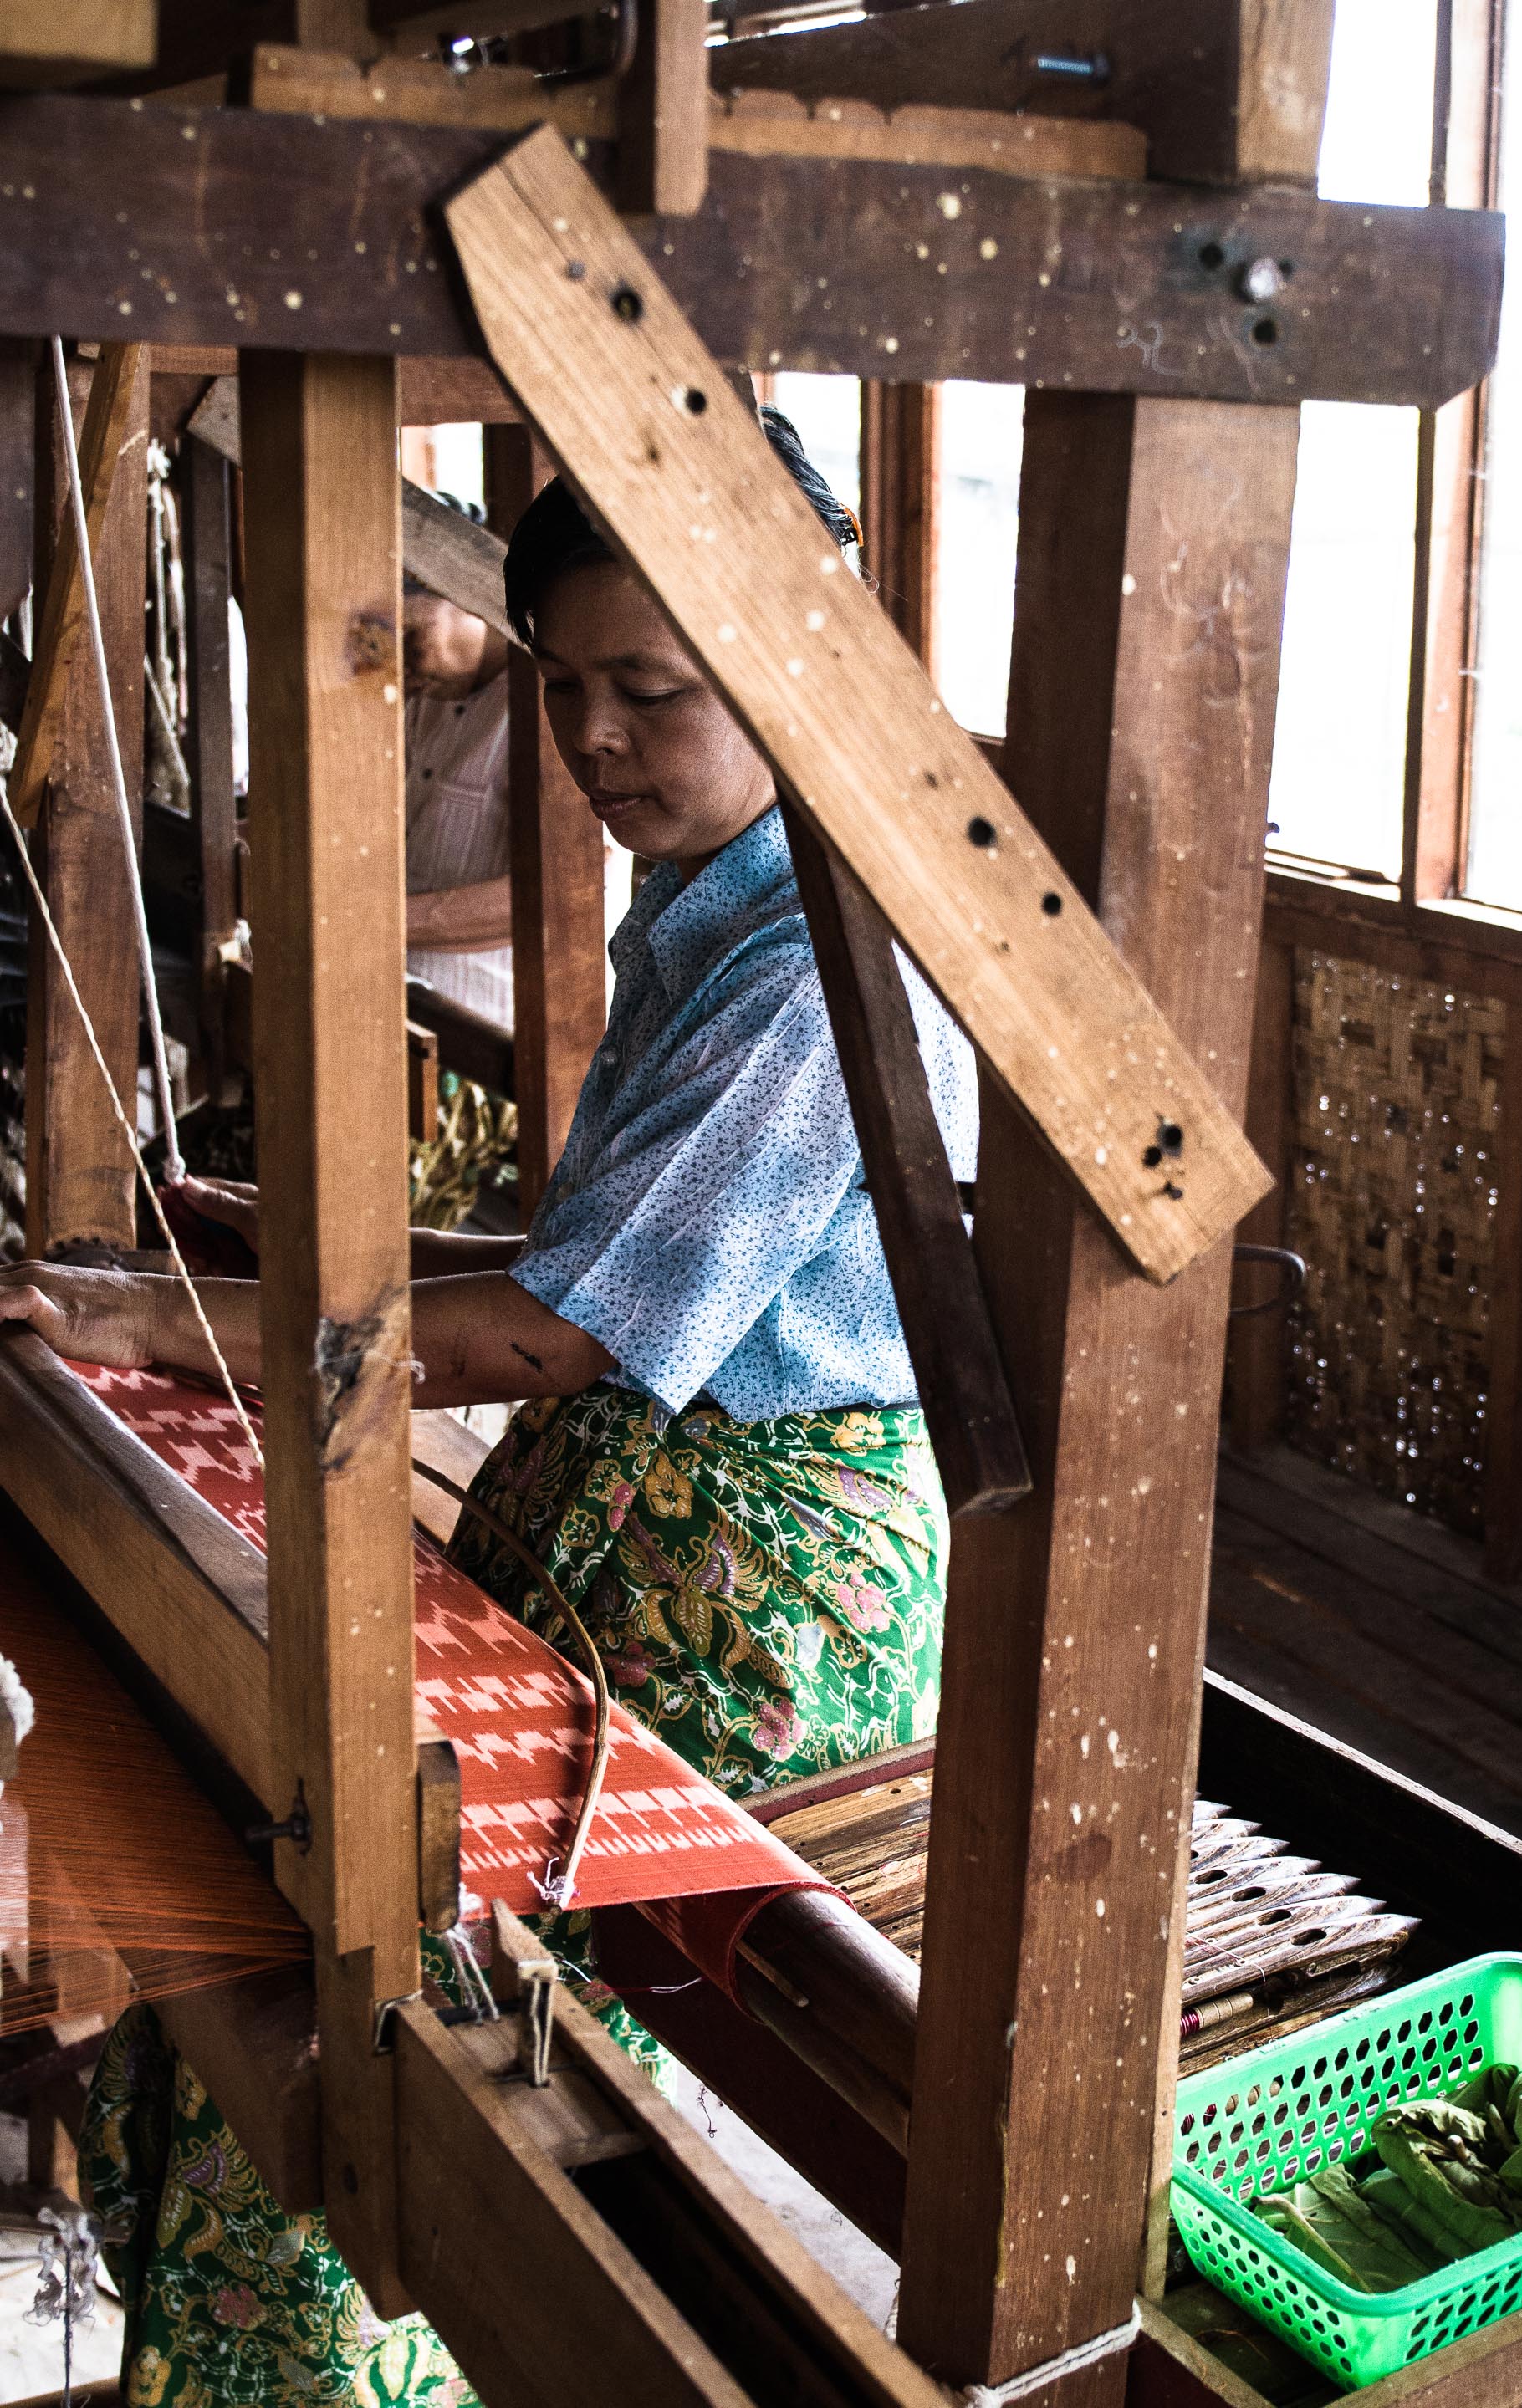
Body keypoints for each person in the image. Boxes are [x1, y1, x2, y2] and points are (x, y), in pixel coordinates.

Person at [0, 409, 973, 2404]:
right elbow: (565, 1262)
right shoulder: (712, 902)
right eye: (565, 686)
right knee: (314, 1900)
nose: (597, 738)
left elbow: (566, 1331)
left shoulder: (819, 952)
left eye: (652, 690)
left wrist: (167, 1324)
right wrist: (235, 1249)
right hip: (638, 1523)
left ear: (794, 661)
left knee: (398, 2004)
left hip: (761, 1599)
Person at [402, 504, 513, 1031]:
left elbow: (548, 903)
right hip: (408, 1010)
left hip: (491, 1038)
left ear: (465, 591)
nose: (400, 666)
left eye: (408, 639)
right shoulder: (420, 698)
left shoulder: (540, 709)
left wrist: (375, 923)